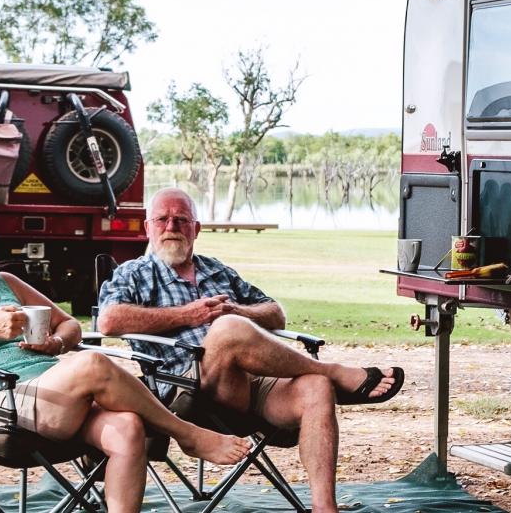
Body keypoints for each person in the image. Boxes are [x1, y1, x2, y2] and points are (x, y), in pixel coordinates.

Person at [0, 192, 251, 513]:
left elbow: (71, 326)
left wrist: (54, 344)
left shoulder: (6, 283)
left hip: (50, 396)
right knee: (94, 362)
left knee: (127, 428)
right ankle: (187, 434)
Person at [97, 187, 405, 513]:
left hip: (252, 380)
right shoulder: (134, 273)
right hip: (187, 389)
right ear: (148, 228)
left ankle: (324, 506)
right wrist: (192, 315)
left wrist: (238, 311)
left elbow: (275, 313)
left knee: (315, 387)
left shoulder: (217, 271)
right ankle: (337, 372)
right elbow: (108, 321)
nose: (171, 226)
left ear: (196, 229)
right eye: (162, 219)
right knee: (228, 330)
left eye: (181, 220)